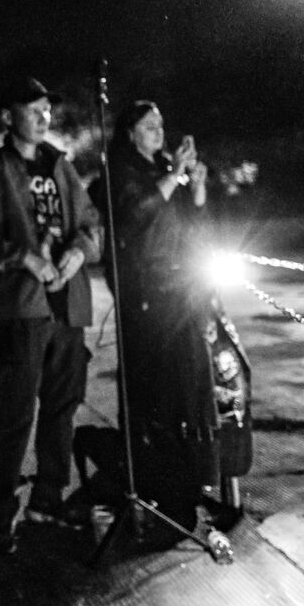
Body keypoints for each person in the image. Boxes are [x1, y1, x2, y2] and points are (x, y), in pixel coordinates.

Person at [0, 77, 102, 554]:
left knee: (63, 407)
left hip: (68, 307)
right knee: (13, 415)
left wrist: (78, 254)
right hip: (20, 310)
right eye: (33, 109)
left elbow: (91, 223)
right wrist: (24, 258)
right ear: (8, 116)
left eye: (47, 109)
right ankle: (2, 517)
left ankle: (48, 497)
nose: (44, 117)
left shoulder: (60, 165)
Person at [104, 99, 215, 533]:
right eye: (149, 125)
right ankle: (158, 486)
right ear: (129, 132)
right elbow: (136, 216)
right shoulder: (121, 171)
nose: (158, 131)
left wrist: (197, 187)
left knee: (189, 388)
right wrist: (173, 177)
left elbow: (192, 224)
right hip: (147, 294)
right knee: (156, 392)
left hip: (183, 289)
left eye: (161, 124)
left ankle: (191, 482)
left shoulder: (168, 169)